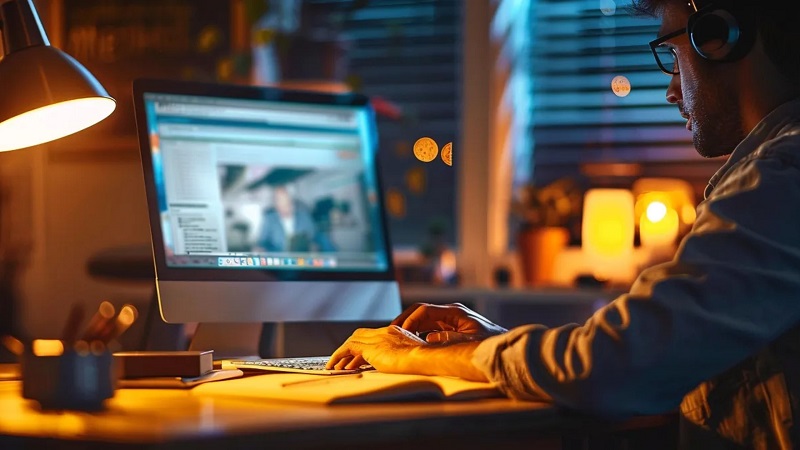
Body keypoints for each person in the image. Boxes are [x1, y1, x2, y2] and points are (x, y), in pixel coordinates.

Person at [327, 0, 800, 447]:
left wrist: (418, 356)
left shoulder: (781, 177)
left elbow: (614, 367)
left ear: (717, 36)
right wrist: (500, 346)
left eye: (673, 54)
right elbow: (656, 348)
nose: (672, 89)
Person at [256, 185, 335, 252]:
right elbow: (262, 243)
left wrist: (315, 246)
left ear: (291, 201)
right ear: (276, 204)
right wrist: (262, 249)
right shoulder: (269, 220)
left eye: (287, 203)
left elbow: (315, 236)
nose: (285, 207)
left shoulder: (304, 217)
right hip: (279, 264)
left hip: (302, 262)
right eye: (280, 202)